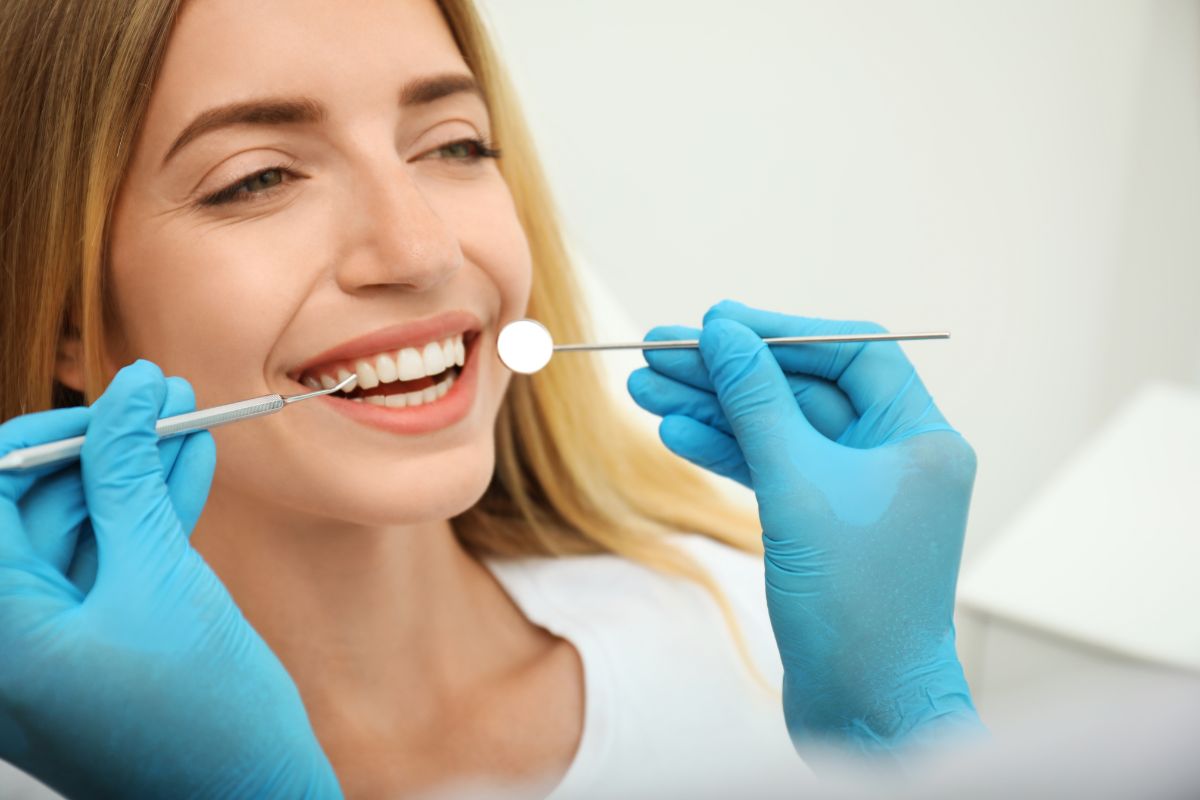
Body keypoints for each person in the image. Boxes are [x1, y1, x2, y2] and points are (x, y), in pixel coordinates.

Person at [0, 0, 981, 797]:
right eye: (258, 176)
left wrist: (904, 730)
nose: (421, 249)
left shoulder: (744, 635)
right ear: (62, 320)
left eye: (454, 144)